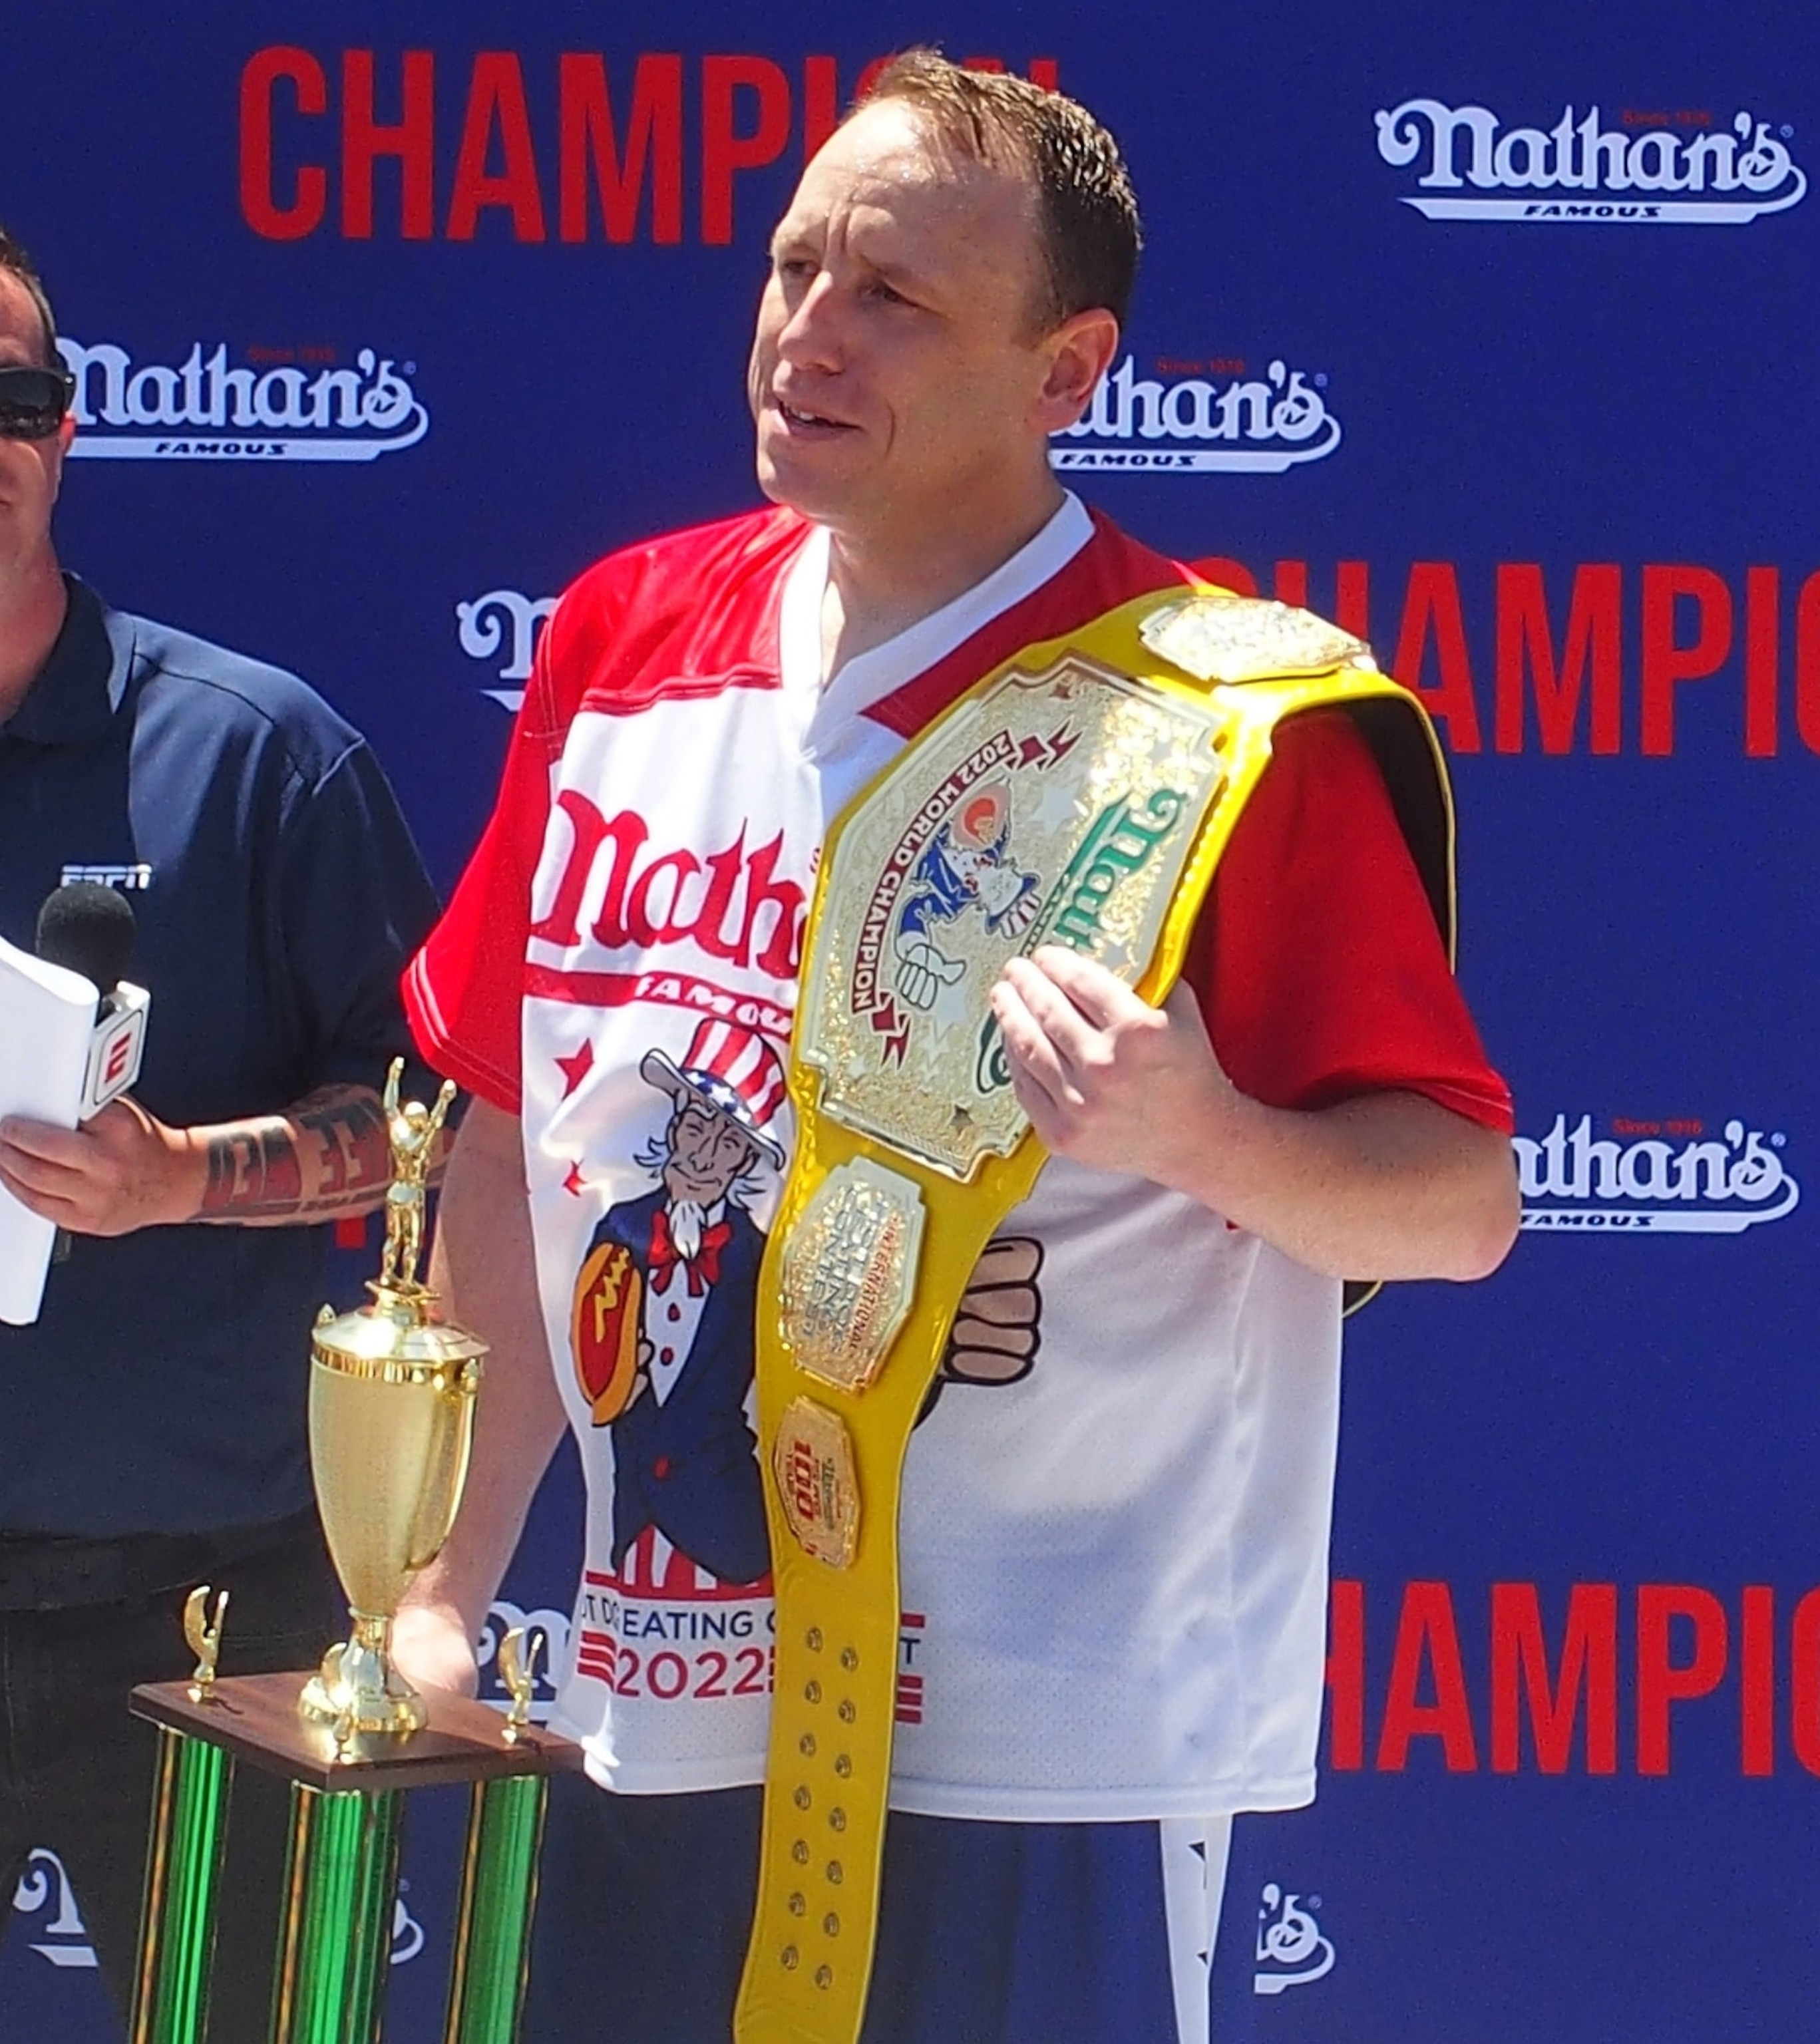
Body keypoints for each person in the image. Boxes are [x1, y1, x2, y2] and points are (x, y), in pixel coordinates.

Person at [396, 52, 1520, 2044]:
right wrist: (444, 1574)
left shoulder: (1211, 722)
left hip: (1036, 1754)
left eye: (893, 297)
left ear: (1067, 369)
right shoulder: (622, 635)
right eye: (794, 269)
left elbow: (1460, 1204)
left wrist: (1199, 1131)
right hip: (660, 1694)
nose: (807, 335)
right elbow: (511, 1129)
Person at [0, 226, 440, 2039]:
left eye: (11, 397)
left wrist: (182, 1176)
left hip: (196, 1600)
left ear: (71, 428)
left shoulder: (257, 757)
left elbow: (428, 1121)